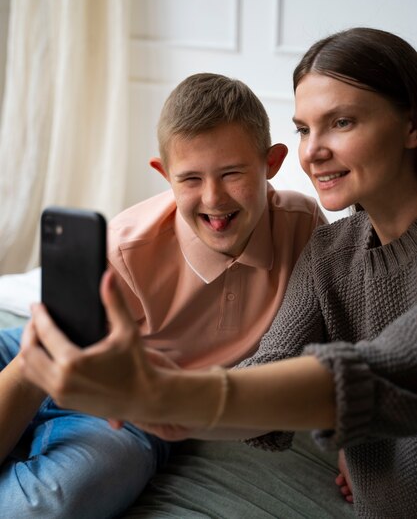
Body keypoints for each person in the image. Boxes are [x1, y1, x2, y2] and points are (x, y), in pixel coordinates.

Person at [20, 27, 417, 519]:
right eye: (303, 128)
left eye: (341, 122)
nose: (312, 151)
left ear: (411, 124)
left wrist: (349, 417)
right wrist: (166, 398)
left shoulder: (306, 231)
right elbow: (275, 366)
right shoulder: (331, 251)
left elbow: (384, 371)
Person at [0, 73, 325, 518]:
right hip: (43, 351)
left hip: (126, 401)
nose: (213, 198)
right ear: (164, 175)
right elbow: (36, 365)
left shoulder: (305, 226)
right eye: (190, 178)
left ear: (271, 162)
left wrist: (353, 438)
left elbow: (333, 330)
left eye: (232, 173)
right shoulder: (124, 250)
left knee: (54, 503)